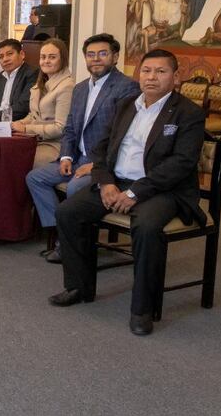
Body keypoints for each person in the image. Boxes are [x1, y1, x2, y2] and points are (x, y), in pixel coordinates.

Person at [50, 49, 206, 336]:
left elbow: (181, 164)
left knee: (146, 227)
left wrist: (135, 193)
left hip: (163, 190)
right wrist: (106, 182)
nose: (152, 77)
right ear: (139, 74)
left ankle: (142, 309)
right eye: (146, 71)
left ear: (176, 76)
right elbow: (101, 149)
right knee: (68, 212)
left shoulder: (189, 113)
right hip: (117, 182)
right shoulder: (125, 105)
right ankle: (78, 287)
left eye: (161, 72)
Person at [25, 34, 140, 263]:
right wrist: (66, 155)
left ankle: (71, 244)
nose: (96, 59)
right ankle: (61, 233)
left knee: (74, 188)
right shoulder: (79, 89)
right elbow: (70, 129)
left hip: (103, 163)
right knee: (35, 178)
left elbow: (122, 136)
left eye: (102, 54)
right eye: (90, 55)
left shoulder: (127, 88)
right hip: (77, 157)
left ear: (115, 57)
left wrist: (96, 165)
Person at [11, 38, 75, 167]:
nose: (46, 61)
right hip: (37, 140)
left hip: (56, 144)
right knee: (5, 152)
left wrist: (25, 128)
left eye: (52, 57)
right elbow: (34, 115)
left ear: (63, 59)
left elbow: (60, 128)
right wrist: (19, 123)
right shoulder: (42, 81)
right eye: (43, 57)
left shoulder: (67, 86)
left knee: (18, 160)